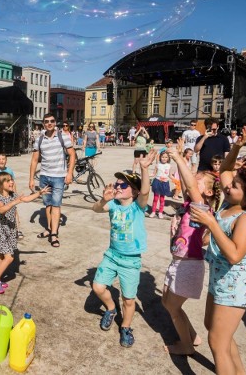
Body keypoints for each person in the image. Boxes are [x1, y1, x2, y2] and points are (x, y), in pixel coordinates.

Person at [189, 126, 246, 374]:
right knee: (215, 331)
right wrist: (237, 146)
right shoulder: (230, 202)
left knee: (217, 342)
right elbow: (225, 170)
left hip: (235, 283)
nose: (228, 185)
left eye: (235, 185)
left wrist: (211, 224)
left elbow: (236, 255)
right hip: (220, 279)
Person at [91, 149, 157, 348]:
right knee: (98, 287)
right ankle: (111, 308)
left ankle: (126, 327)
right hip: (111, 255)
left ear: (134, 191)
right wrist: (104, 198)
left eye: (123, 185)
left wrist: (144, 169)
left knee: (129, 300)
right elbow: (96, 209)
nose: (118, 187)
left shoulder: (137, 206)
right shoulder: (112, 205)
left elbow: (145, 192)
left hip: (130, 260)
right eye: (117, 183)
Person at [163, 148, 221, 355]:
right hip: (178, 262)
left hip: (189, 265)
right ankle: (193, 337)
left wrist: (179, 158)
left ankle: (186, 347)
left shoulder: (202, 208)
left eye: (198, 181)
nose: (191, 182)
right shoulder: (190, 206)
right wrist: (178, 160)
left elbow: (188, 184)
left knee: (173, 308)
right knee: (166, 302)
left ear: (208, 192)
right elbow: (185, 183)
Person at [0, 172, 48, 294]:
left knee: (2, 256)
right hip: (1, 232)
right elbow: (1, 210)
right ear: (1, 184)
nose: (12, 182)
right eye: (8, 181)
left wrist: (39, 193)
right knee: (9, 257)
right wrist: (14, 202)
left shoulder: (13, 194)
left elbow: (26, 199)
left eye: (12, 180)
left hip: (10, 231)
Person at [29, 113, 76, 248]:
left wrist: (69, 173)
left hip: (58, 177)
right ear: (43, 124)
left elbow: (72, 155)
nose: (49, 123)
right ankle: (49, 229)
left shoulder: (63, 137)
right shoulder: (39, 139)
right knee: (48, 205)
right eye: (46, 121)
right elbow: (34, 160)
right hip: (44, 176)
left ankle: (54, 234)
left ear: (55, 123)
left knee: (56, 205)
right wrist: (31, 178)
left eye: (52, 121)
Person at [149, 151, 172, 219]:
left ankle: (160, 212)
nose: (164, 158)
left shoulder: (169, 166)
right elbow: (154, 174)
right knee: (155, 198)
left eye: (166, 157)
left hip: (165, 183)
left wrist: (177, 180)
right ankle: (153, 211)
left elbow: (170, 175)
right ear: (160, 157)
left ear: (168, 158)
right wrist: (146, 174)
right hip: (157, 182)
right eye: (163, 157)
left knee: (162, 199)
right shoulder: (157, 165)